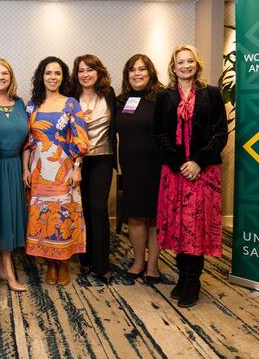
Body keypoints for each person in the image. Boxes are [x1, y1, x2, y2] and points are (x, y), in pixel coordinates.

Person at [152, 44, 227, 308]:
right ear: (173, 67)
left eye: (190, 61)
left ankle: (193, 281)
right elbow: (158, 134)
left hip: (203, 172)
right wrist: (179, 163)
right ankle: (183, 277)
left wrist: (197, 162)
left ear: (197, 64)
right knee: (178, 227)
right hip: (174, 172)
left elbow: (221, 134)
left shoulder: (212, 94)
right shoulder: (165, 97)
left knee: (196, 228)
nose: (185, 66)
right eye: (180, 62)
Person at [23, 56, 89, 286]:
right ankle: (50, 264)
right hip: (39, 169)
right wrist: (25, 170)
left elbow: (80, 138)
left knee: (63, 216)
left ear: (63, 77)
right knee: (43, 216)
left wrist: (77, 169)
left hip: (64, 168)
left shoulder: (71, 103)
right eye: (48, 73)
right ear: (42, 76)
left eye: (57, 73)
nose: (53, 77)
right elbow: (28, 142)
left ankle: (63, 264)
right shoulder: (32, 105)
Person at [115, 54, 164, 283]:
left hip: (157, 167)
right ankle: (138, 261)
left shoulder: (162, 97)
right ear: (127, 75)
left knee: (154, 217)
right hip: (131, 168)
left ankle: (153, 265)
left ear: (150, 72)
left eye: (142, 69)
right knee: (135, 216)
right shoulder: (120, 100)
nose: (137, 73)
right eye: (132, 70)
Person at [0, 58, 29, 292]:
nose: (0, 77)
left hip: (14, 166)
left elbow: (29, 141)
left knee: (8, 219)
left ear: (11, 77)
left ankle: (1, 266)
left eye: (5, 74)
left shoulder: (19, 103)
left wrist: (25, 168)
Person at [70, 54, 116, 283]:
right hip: (75, 161)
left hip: (102, 158)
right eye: (81, 70)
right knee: (81, 209)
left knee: (98, 208)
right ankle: (85, 259)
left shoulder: (109, 95)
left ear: (99, 72)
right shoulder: (71, 97)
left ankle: (102, 264)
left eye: (90, 69)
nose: (85, 74)